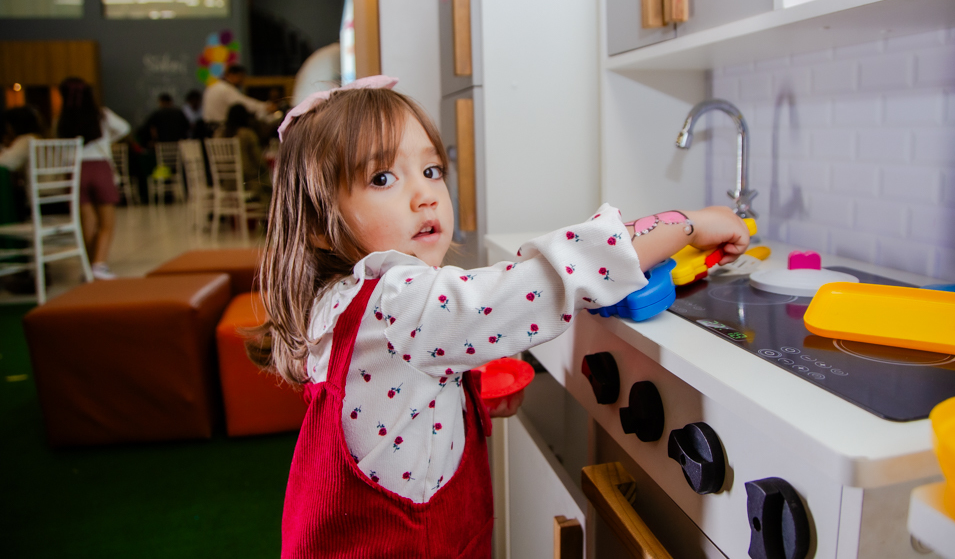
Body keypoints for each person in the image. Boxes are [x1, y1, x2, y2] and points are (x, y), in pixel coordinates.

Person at [248, 76, 750, 557]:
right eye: (383, 178)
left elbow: (386, 399)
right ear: (319, 223)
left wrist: (464, 398)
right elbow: (558, 274)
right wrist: (689, 224)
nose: (425, 194)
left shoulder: (341, 298)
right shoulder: (399, 304)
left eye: (432, 171)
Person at [56, 77, 131, 280]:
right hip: (99, 167)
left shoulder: (61, 119)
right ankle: (100, 264)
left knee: (86, 221)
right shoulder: (101, 114)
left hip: (74, 171)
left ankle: (89, 267)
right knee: (107, 221)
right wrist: (107, 139)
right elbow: (124, 128)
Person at [221, 103, 269, 205]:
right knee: (269, 183)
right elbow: (259, 161)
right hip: (247, 183)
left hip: (227, 184)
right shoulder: (247, 134)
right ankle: (269, 213)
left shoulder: (219, 134)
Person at [201, 64, 275, 127]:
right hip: (220, 128)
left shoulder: (212, 87)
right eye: (241, 77)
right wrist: (265, 107)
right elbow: (244, 104)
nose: (242, 81)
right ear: (231, 75)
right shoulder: (225, 89)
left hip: (209, 128)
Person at [0, 106, 45, 171]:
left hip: (38, 178)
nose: (7, 130)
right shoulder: (35, 137)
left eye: (8, 126)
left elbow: (6, 162)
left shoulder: (26, 140)